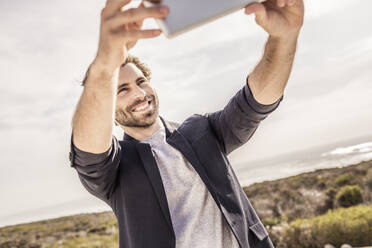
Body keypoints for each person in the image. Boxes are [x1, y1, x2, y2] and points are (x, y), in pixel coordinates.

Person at [68, 0, 304, 247]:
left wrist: (284, 37)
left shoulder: (202, 130)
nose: (139, 94)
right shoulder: (113, 167)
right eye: (122, 90)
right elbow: (88, 149)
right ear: (108, 111)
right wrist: (104, 67)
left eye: (140, 82)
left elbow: (255, 103)